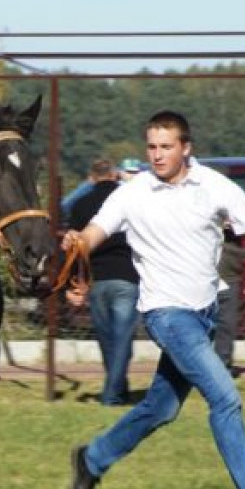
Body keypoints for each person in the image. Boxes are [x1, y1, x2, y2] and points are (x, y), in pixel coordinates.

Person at [64, 110, 245, 489]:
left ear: (186, 148)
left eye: (166, 147)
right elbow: (91, 236)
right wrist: (75, 247)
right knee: (225, 397)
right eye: (151, 147)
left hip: (204, 312)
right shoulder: (132, 193)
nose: (157, 155)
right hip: (166, 314)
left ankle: (92, 459)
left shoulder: (212, 186)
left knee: (161, 408)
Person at [68, 158, 140, 406]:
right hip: (128, 275)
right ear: (114, 175)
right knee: (123, 339)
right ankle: (113, 393)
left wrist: (75, 282)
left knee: (107, 338)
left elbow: (77, 247)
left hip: (97, 277)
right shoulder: (129, 201)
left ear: (91, 177)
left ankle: (116, 389)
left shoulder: (80, 205)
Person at [214, 226, 245, 376]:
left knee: (227, 324)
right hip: (198, 273)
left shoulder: (235, 204)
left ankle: (222, 367)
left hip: (229, 273)